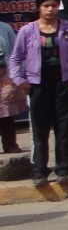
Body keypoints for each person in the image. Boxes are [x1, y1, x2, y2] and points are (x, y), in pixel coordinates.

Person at [6, 0, 68, 187]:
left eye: (54, 6)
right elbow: (15, 59)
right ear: (39, 8)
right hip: (38, 85)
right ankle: (39, 171)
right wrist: (20, 80)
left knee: (64, 129)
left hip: (63, 84)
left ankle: (64, 169)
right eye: (47, 5)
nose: (51, 9)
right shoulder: (27, 31)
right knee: (40, 131)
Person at [0, 19, 27, 153]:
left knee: (6, 111)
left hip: (5, 76)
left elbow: (16, 53)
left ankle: (10, 144)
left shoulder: (5, 28)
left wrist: (18, 74)